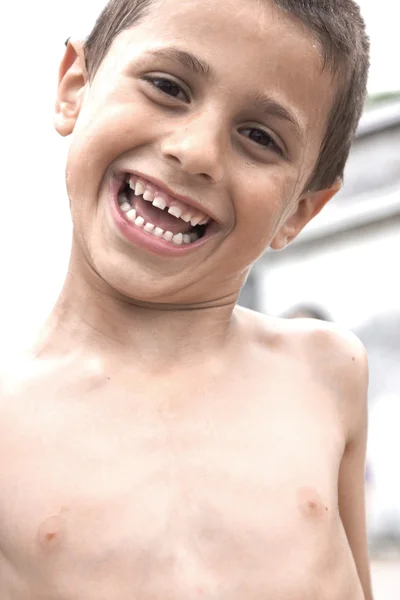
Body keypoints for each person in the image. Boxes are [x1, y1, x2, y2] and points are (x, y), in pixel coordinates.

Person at [0, 0, 373, 598]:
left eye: (259, 137)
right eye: (169, 87)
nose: (196, 152)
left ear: (300, 211)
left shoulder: (327, 371)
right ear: (74, 86)